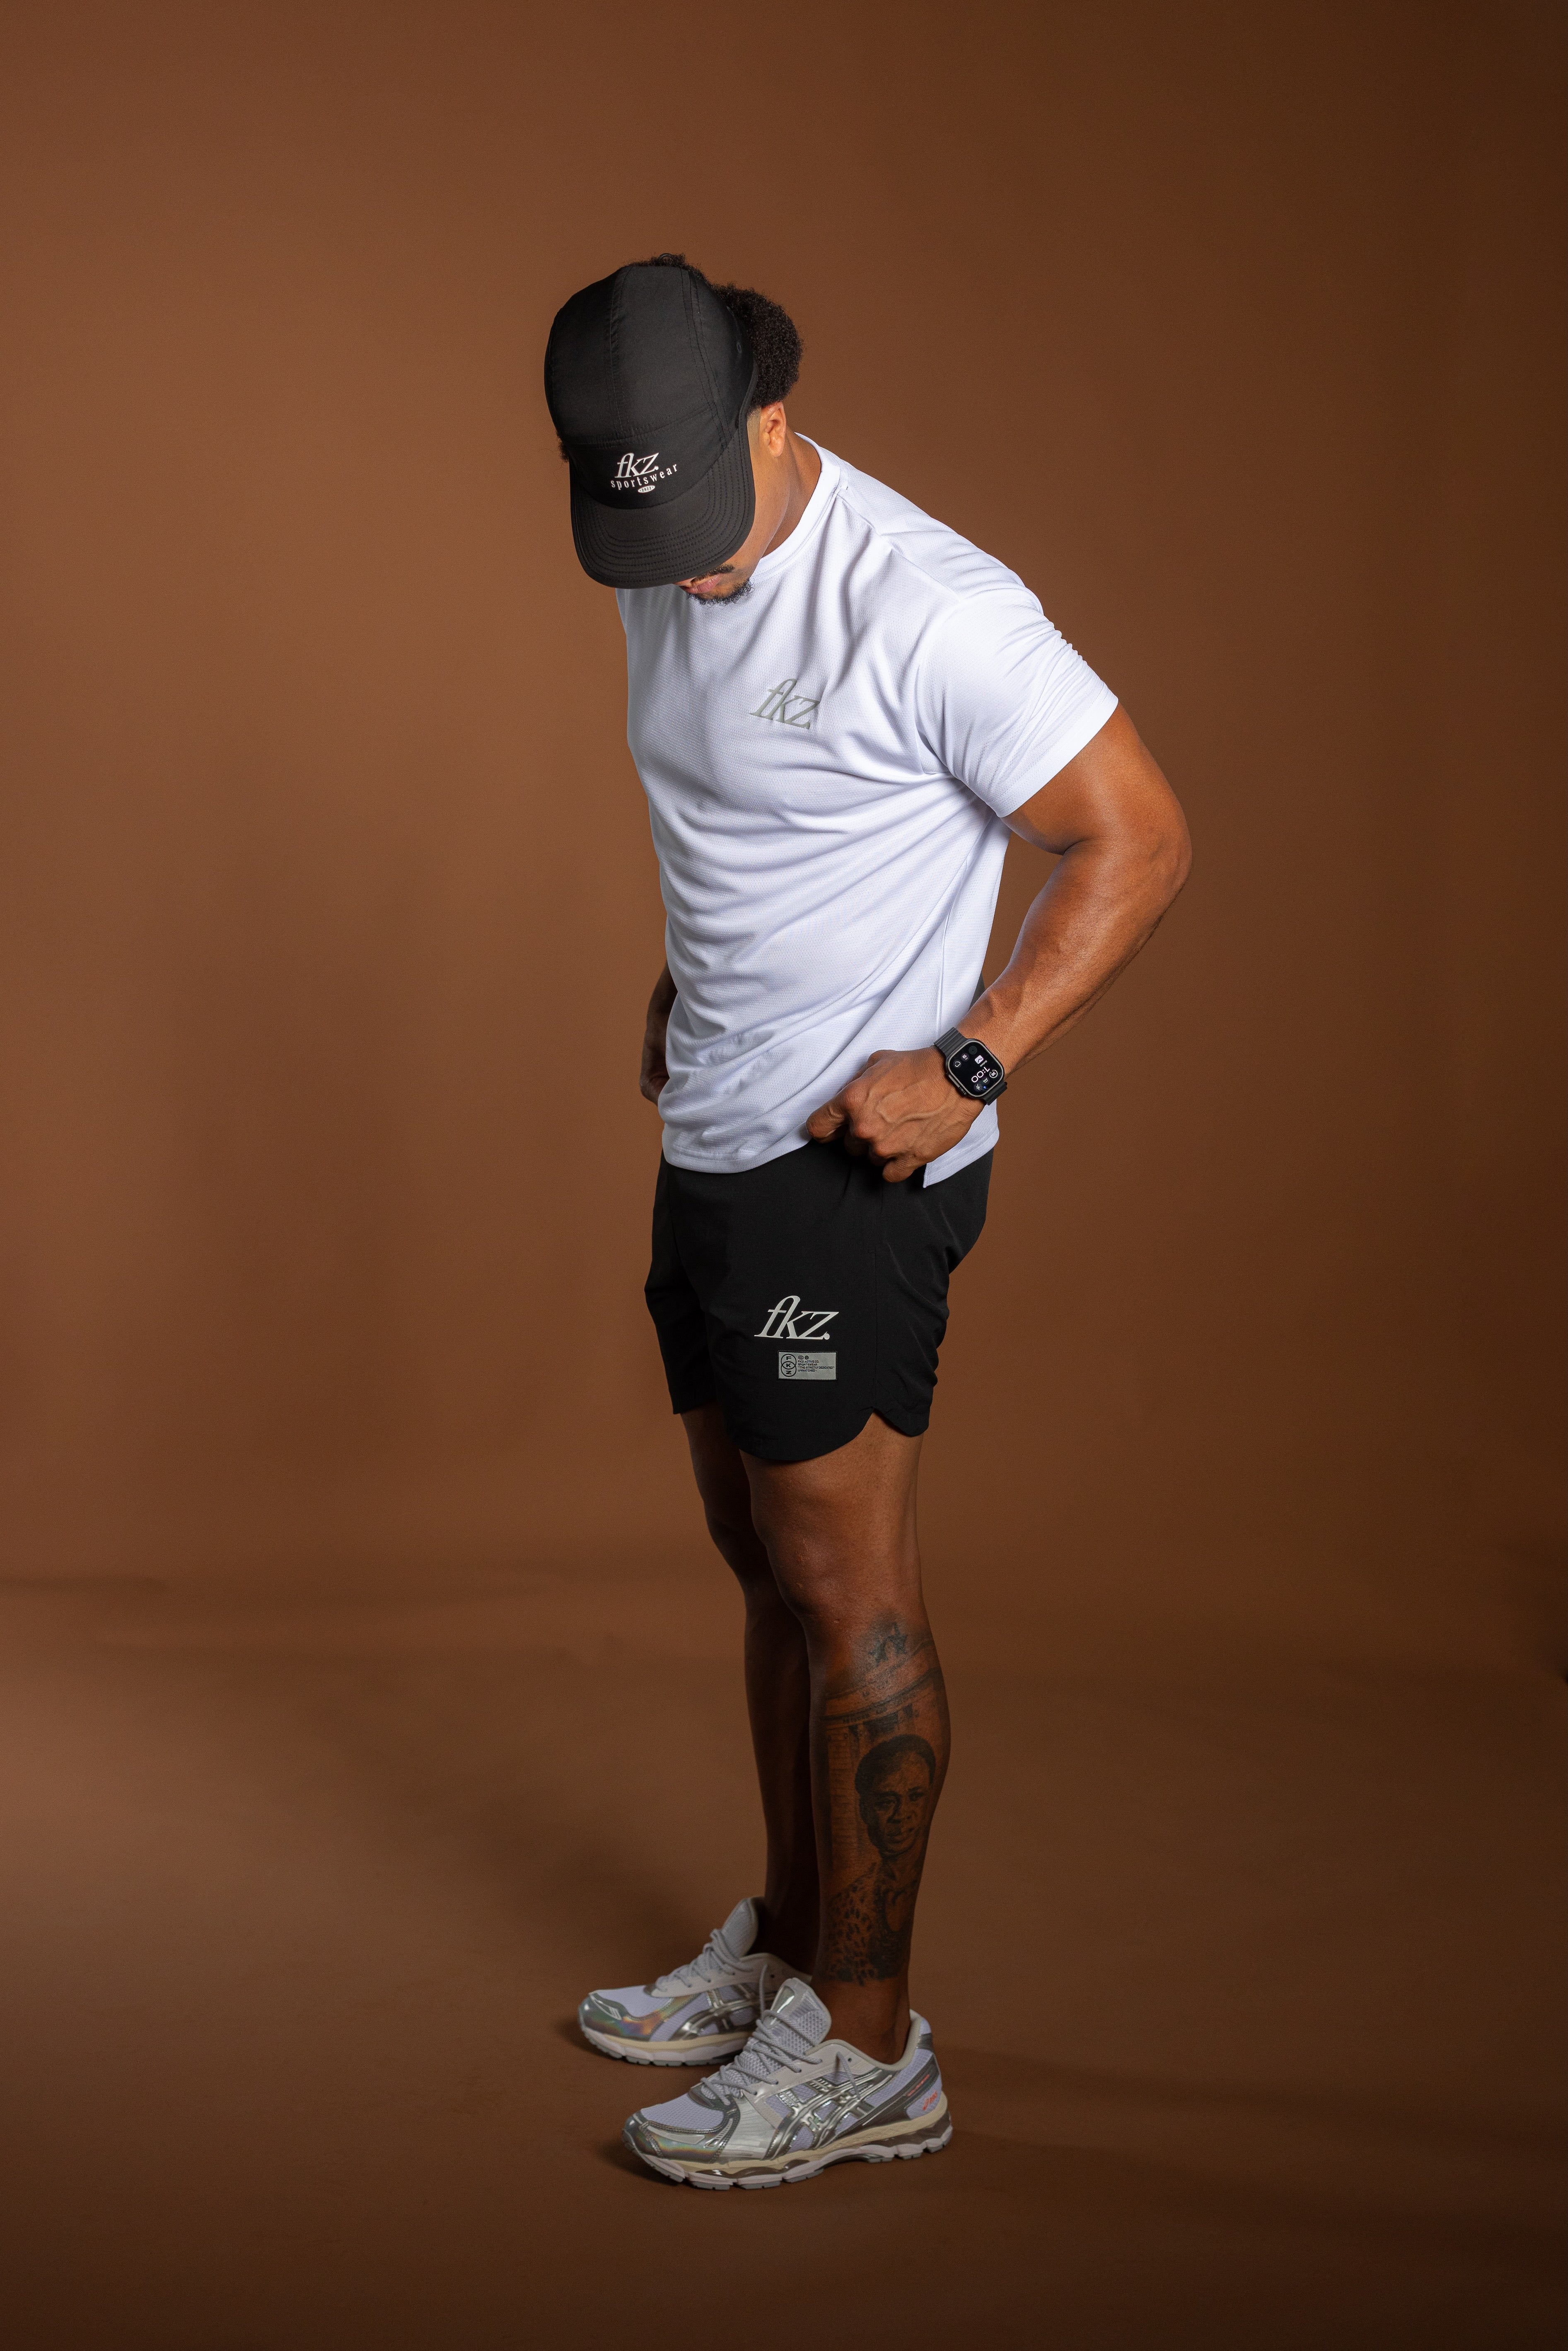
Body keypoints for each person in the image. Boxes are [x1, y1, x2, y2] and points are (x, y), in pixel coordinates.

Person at [546, 255, 1190, 2189]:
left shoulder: (928, 607)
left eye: (704, 518)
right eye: (644, 528)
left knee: (849, 1592)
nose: (685, 570)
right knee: (758, 1560)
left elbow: (1139, 836)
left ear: (772, 419)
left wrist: (970, 1064)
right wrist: (693, 984)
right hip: (711, 1132)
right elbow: (755, 816)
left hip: (847, 1170)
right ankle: (791, 1950)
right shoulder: (665, 539)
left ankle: (867, 2042)